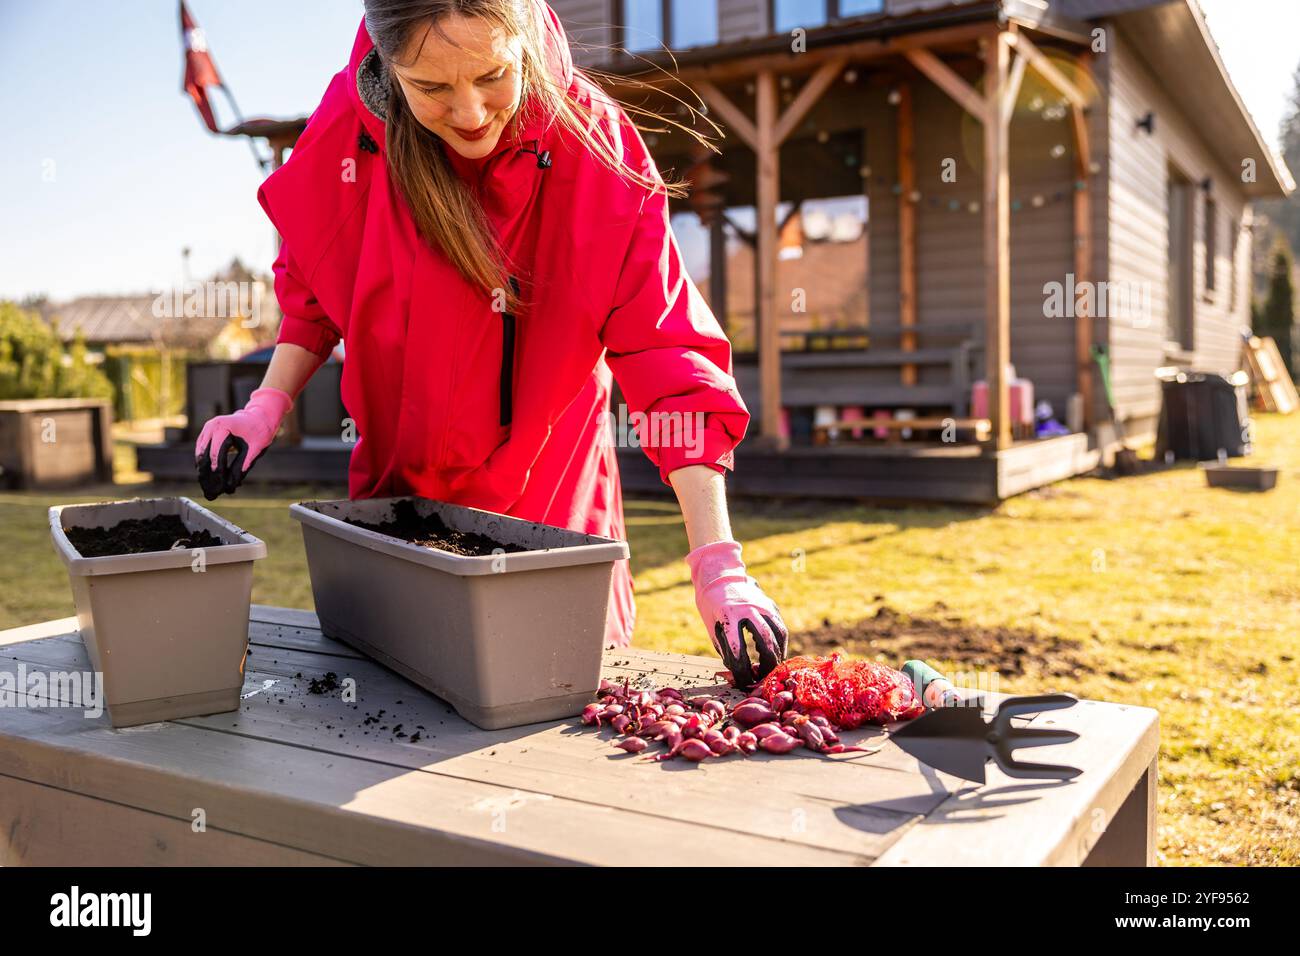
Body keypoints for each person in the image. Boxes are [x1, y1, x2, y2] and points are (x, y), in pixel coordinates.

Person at [194, 0, 788, 685]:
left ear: (527, 37)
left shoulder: (594, 142)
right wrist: (265, 406)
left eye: (492, 76)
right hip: (396, 517)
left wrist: (718, 563)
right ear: (388, 69)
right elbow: (315, 288)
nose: (472, 114)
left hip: (553, 523)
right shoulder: (350, 139)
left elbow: (664, 354)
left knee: (544, 734)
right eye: (432, 88)